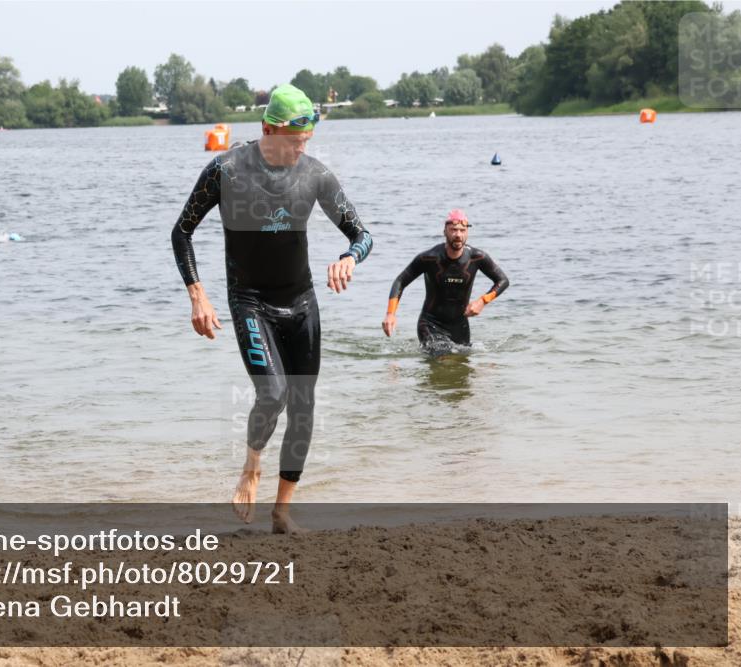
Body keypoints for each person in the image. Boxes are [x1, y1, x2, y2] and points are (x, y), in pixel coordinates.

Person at [171, 84, 372, 534]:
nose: (301, 149)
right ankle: (251, 467)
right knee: (273, 393)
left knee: (303, 406)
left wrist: (348, 258)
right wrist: (197, 295)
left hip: (301, 301)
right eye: (293, 141)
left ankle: (282, 511)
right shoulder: (226, 170)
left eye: (306, 141)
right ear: (267, 128)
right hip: (250, 301)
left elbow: (362, 235)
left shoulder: (315, 174)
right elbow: (181, 233)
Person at [382, 208, 508, 350]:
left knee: (461, 368)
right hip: (430, 324)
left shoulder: (477, 258)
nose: (458, 235)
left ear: (467, 232)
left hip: (460, 326)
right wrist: (390, 314)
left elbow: (503, 280)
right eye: (453, 230)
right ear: (445, 231)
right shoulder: (429, 258)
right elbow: (400, 281)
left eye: (462, 230)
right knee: (443, 356)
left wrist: (482, 301)